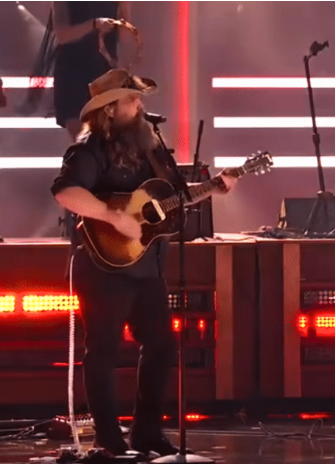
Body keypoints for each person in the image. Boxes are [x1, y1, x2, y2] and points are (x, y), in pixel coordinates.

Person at [51, 68, 238, 457]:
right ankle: (108, 438)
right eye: (131, 100)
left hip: (147, 268)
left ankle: (147, 433)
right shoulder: (89, 149)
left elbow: (170, 203)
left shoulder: (152, 149)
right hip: (104, 268)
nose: (139, 107)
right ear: (108, 109)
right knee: (102, 350)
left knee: (161, 346)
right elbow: (67, 192)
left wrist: (214, 187)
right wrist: (115, 217)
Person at [52, 1, 129, 141]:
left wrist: (122, 16)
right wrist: (94, 24)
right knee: (82, 137)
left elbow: (124, 33)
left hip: (104, 71)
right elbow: (61, 34)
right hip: (73, 71)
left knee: (108, 136)